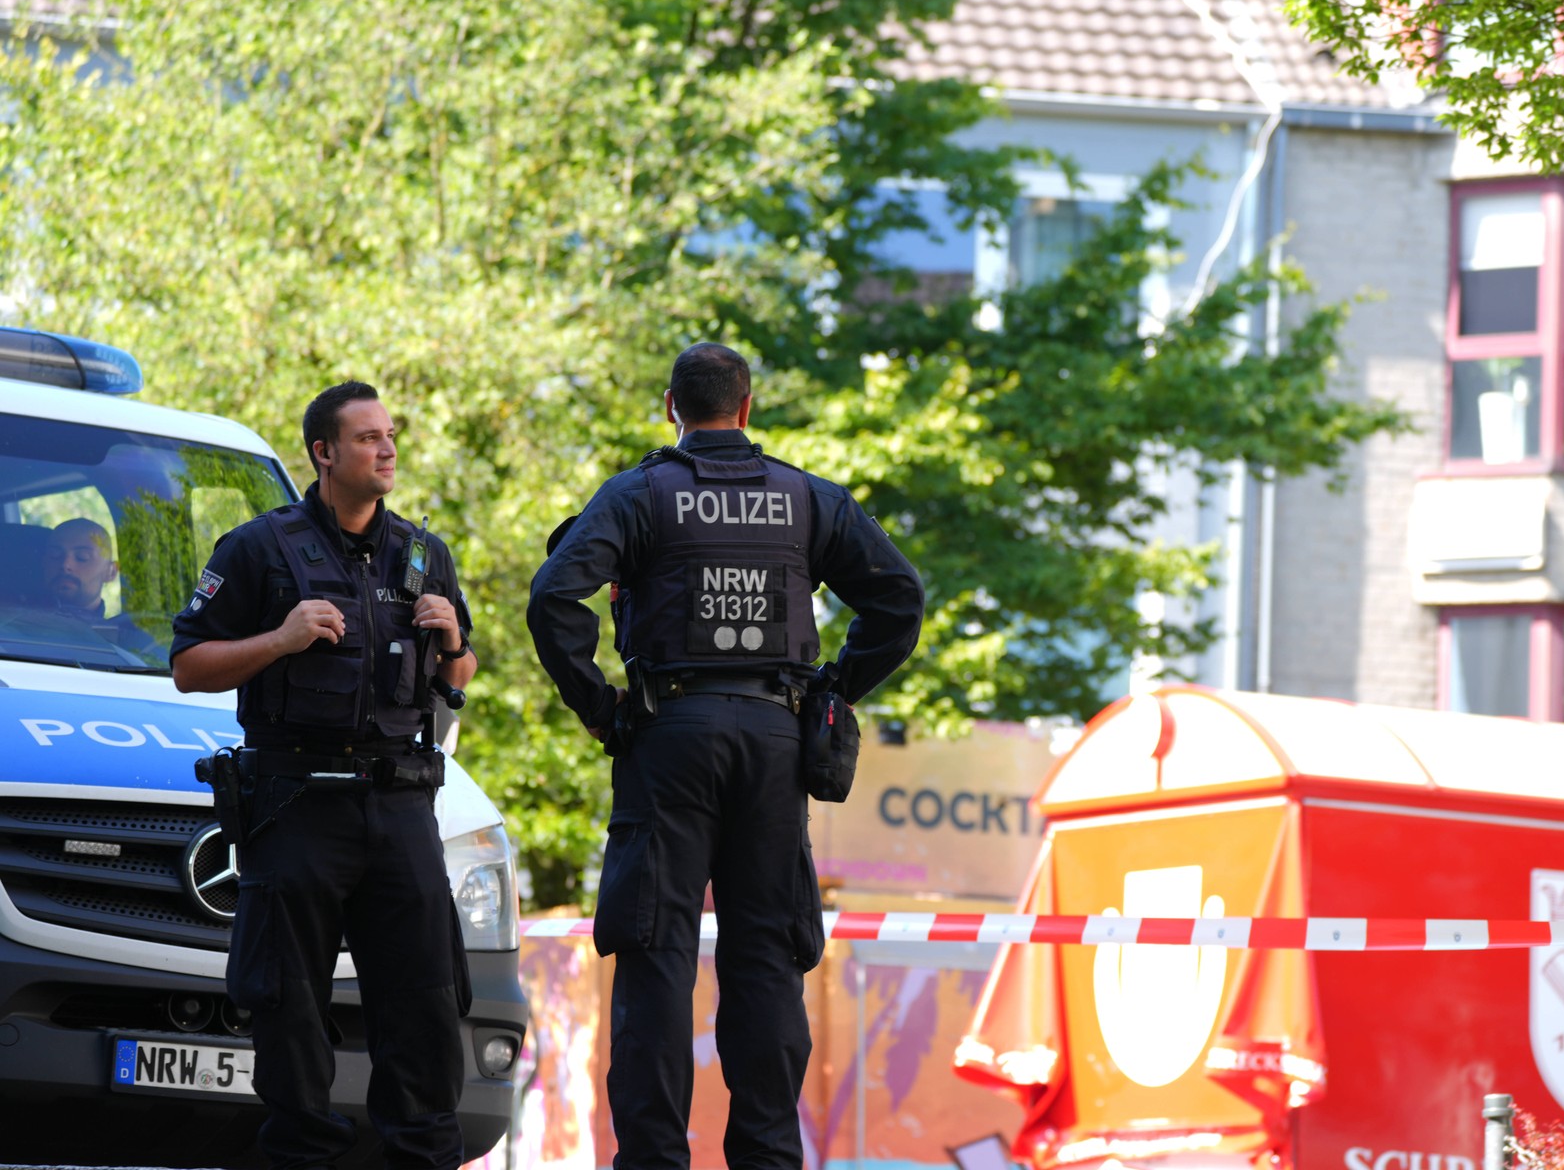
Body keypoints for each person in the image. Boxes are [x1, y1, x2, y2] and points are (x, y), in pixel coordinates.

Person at [528, 341, 924, 1170]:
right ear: (747, 409)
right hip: (776, 743)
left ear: (672, 406)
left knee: (655, 954)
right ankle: (769, 1160)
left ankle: (654, 1160)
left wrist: (600, 709)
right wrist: (834, 689)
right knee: (766, 959)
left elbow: (554, 597)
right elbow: (899, 599)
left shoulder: (638, 495)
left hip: (667, 737)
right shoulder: (807, 499)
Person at [169, 381, 479, 1170]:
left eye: (391, 435)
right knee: (290, 1007)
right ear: (324, 452)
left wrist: (452, 644)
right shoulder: (258, 548)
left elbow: (459, 678)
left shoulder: (423, 554)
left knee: (428, 1005)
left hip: (403, 808)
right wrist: (278, 638)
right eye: (369, 437)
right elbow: (189, 666)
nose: (387, 449)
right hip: (298, 806)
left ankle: (423, 1156)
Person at [40, 517, 161, 659]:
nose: (66, 565)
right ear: (43, 562)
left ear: (111, 572)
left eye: (82, 557)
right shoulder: (13, 624)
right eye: (55, 555)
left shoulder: (134, 643)